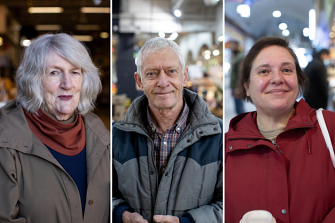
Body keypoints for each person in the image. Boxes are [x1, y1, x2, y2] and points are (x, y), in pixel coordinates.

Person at [0, 33, 110, 222]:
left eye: (75, 72)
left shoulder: (100, 133)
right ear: (33, 80)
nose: (67, 84)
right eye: (54, 72)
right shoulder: (6, 141)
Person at [112, 37, 223, 223]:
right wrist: (120, 214)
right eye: (152, 74)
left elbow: (228, 204)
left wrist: (188, 222)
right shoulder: (117, 136)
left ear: (184, 76)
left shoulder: (218, 136)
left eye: (171, 71)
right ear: (139, 81)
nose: (163, 82)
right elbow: (102, 196)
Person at [225, 37, 335, 223]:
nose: (277, 79)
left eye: (286, 70)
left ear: (298, 81)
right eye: (264, 71)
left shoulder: (330, 128)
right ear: (247, 87)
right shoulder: (224, 147)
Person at [229, 40, 245, 114]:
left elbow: (240, 73)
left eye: (233, 45)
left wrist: (238, 87)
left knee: (239, 108)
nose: (231, 47)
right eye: (231, 45)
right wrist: (232, 87)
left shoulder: (240, 56)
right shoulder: (234, 56)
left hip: (237, 86)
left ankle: (244, 123)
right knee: (237, 107)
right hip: (234, 86)